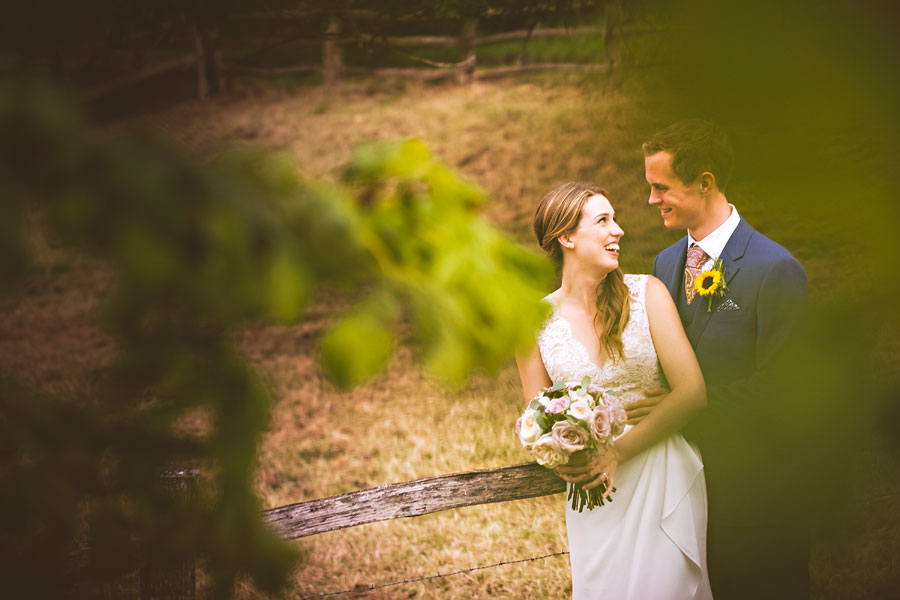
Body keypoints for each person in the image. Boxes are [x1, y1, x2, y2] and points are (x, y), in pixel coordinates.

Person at [517, 181, 713, 599]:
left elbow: (692, 392)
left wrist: (617, 452)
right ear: (567, 237)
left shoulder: (648, 295)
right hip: (594, 493)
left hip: (662, 477)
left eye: (615, 219)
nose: (619, 230)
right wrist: (562, 460)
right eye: (603, 221)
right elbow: (535, 420)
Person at [641, 119, 809, 599]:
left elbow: (781, 389)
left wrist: (681, 407)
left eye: (661, 187)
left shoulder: (774, 269)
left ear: (705, 182)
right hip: (680, 486)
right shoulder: (665, 263)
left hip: (756, 495)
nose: (652, 200)